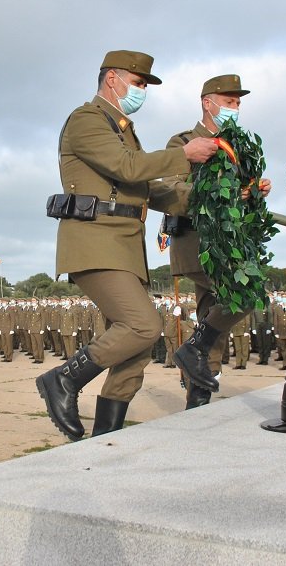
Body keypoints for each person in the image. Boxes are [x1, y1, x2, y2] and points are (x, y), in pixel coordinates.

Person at [35, 49, 218, 441]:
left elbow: (150, 190)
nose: (142, 92)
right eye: (138, 83)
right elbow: (127, 168)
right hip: (95, 242)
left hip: (124, 248)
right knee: (142, 326)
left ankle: (104, 439)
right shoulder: (87, 120)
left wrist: (216, 196)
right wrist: (183, 156)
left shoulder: (122, 129)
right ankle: (62, 381)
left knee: (134, 354)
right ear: (112, 79)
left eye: (145, 86)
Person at [164, 75, 271, 408]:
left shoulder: (239, 146)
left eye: (238, 103)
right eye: (229, 102)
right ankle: (192, 350)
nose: (235, 108)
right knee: (247, 292)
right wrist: (219, 196)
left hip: (232, 244)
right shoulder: (184, 142)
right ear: (207, 103)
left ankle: (198, 400)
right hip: (198, 245)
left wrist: (254, 193)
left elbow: (240, 202)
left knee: (215, 318)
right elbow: (171, 188)